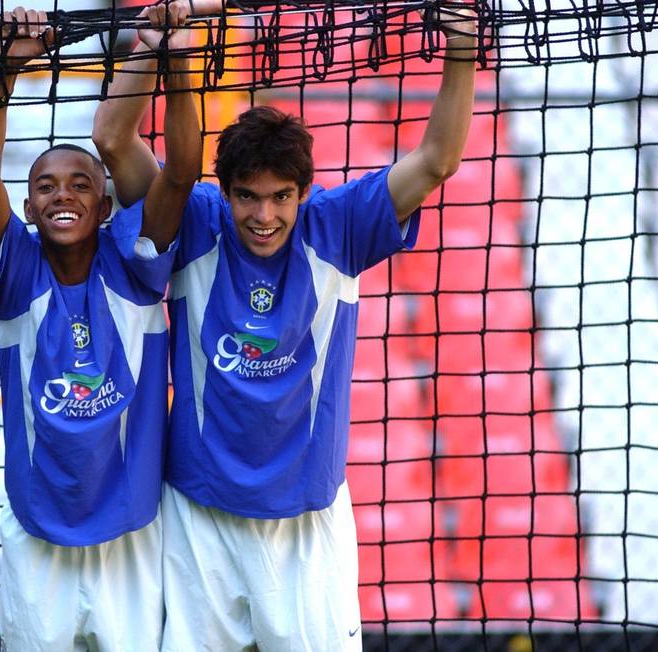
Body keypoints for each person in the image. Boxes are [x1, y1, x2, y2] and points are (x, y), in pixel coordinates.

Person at [92, 2, 478, 650]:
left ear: (303, 192)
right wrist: (151, 46)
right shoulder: (194, 219)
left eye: (280, 197)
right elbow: (111, 140)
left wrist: (462, 44)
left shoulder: (339, 225)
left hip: (307, 524)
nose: (264, 215)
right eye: (248, 195)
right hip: (199, 516)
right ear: (227, 191)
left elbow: (438, 159)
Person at [0, 6, 200, 650]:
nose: (61, 195)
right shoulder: (14, 277)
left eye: (77, 184)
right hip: (38, 537)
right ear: (32, 206)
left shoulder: (136, 264)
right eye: (45, 186)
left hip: (132, 537)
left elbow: (180, 173)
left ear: (103, 201)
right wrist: (4, 72)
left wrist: (174, 58)